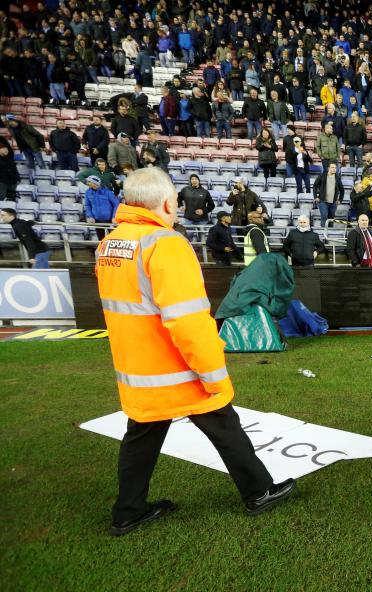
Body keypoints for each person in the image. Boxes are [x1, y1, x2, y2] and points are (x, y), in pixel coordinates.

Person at [95, 167, 294, 536]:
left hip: (137, 370)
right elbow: (187, 320)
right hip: (177, 368)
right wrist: (212, 372)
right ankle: (259, 491)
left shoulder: (110, 244)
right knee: (224, 423)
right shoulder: (165, 243)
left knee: (141, 436)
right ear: (169, 203)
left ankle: (128, 511)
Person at [312, 163, 343, 227]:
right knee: (324, 216)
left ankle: (330, 233)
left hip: (333, 202)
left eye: (335, 168)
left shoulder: (337, 177)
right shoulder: (322, 176)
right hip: (323, 201)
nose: (334, 169)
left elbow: (342, 189)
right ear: (328, 168)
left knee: (331, 219)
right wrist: (316, 197)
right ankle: (324, 233)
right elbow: (315, 186)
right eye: (332, 167)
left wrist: (340, 199)